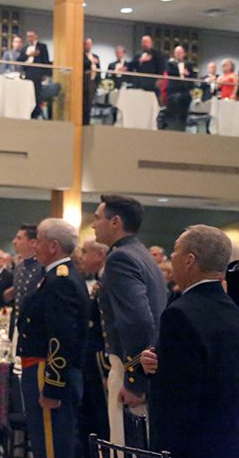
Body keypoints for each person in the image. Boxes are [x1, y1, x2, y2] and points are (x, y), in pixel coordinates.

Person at [144, 225, 239, 458]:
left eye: (175, 251)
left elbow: (176, 395)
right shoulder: (232, 309)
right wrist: (159, 359)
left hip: (192, 441)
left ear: (189, 260)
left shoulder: (180, 314)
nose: (172, 257)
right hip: (227, 435)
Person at [91, 194, 166, 448]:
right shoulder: (141, 253)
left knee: (126, 447)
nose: (93, 225)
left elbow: (137, 321)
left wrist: (134, 380)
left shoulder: (120, 258)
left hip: (129, 365)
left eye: (98, 218)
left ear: (116, 222)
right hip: (141, 362)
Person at [17, 219, 90, 458]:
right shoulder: (56, 276)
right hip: (39, 367)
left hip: (45, 370)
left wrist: (52, 387)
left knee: (51, 444)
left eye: (38, 240)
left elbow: (62, 337)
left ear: (53, 246)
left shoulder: (60, 281)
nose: (34, 245)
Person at [79, 239, 110, 455]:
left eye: (85, 252)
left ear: (99, 255)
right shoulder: (101, 278)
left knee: (101, 414)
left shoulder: (109, 279)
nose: (81, 257)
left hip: (102, 357)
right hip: (92, 354)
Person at [4, 224, 43, 325]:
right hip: (17, 320)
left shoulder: (42, 267)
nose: (14, 242)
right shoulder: (19, 267)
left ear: (33, 242)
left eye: (19, 238)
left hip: (34, 323)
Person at [18, 30, 51, 118]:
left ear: (35, 36)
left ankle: (36, 112)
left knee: (37, 93)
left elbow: (46, 61)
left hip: (37, 73)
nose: (30, 38)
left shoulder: (42, 47)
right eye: (28, 37)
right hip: (27, 72)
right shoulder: (25, 48)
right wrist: (29, 55)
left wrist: (45, 74)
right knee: (27, 93)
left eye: (31, 36)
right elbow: (19, 59)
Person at [165, 46, 195, 131]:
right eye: (177, 53)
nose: (178, 55)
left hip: (185, 91)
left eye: (180, 53)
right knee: (172, 111)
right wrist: (181, 72)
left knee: (184, 112)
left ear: (184, 54)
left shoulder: (188, 64)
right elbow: (169, 73)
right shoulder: (170, 63)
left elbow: (192, 77)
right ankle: (171, 128)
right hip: (173, 91)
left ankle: (182, 128)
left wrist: (191, 89)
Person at [83, 38, 101, 124]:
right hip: (85, 82)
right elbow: (84, 64)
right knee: (85, 104)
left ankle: (88, 120)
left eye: (90, 44)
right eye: (87, 44)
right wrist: (91, 62)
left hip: (93, 81)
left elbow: (99, 70)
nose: (89, 46)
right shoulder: (82, 55)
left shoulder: (95, 56)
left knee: (90, 102)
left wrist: (98, 83)